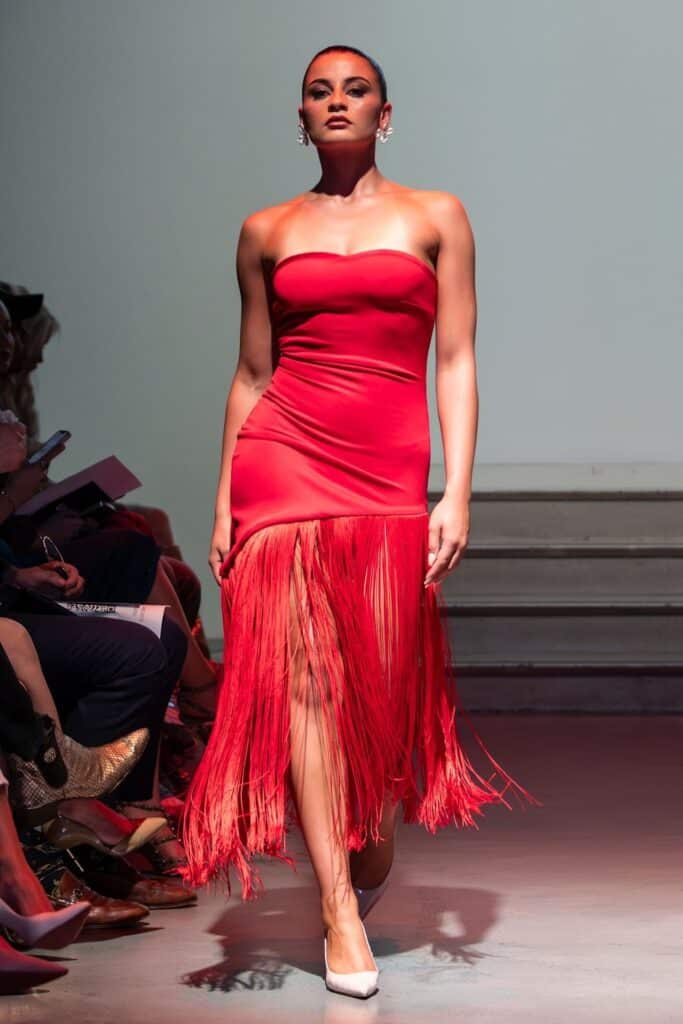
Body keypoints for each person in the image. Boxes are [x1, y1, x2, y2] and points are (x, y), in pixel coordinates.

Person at [181, 44, 538, 999]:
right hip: (282, 462)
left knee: (372, 687)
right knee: (303, 683)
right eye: (318, 90)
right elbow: (252, 373)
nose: (336, 101)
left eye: (355, 89)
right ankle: (336, 911)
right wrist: (224, 495)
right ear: (300, 117)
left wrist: (455, 490)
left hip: (387, 470)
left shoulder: (435, 216)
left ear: (386, 112)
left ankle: (366, 830)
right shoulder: (265, 228)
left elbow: (454, 358)